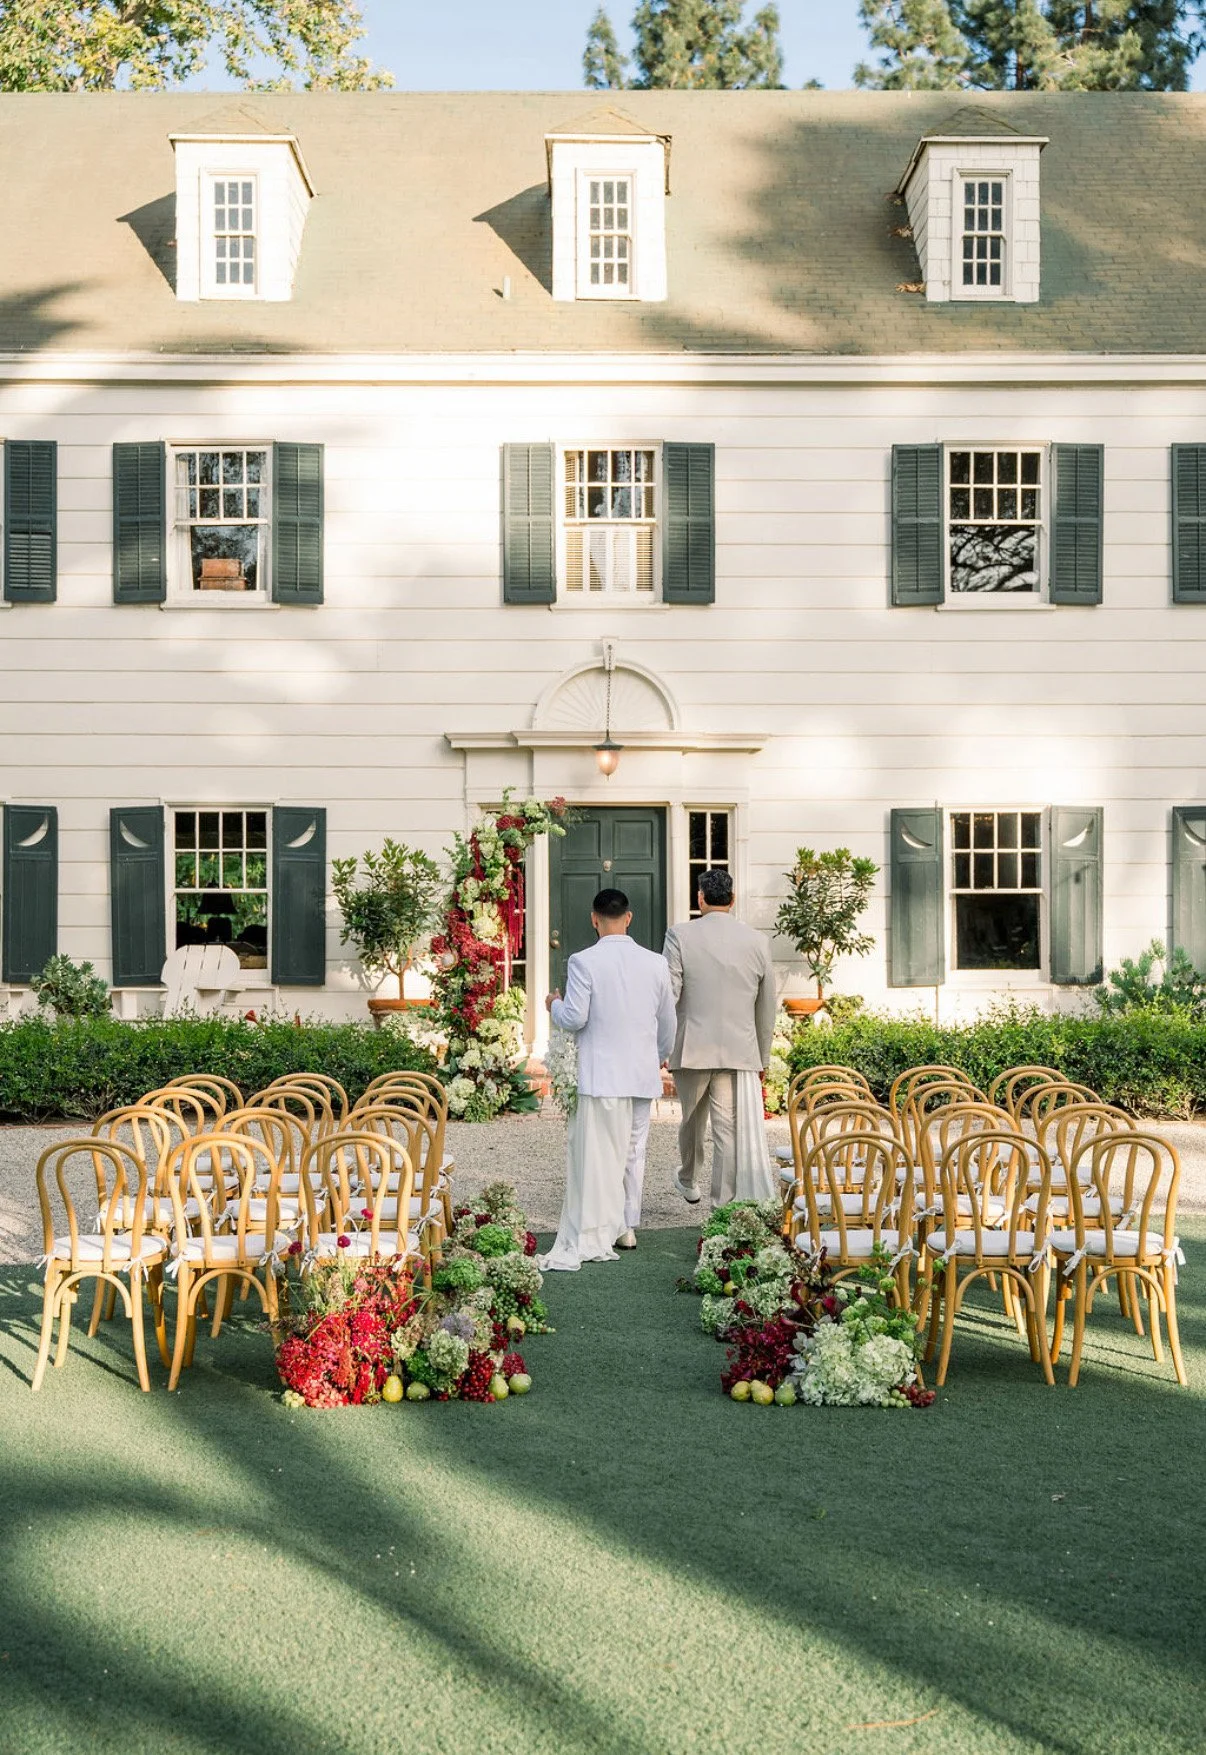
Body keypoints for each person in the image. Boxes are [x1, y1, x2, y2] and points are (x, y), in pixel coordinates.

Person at [540, 888, 677, 1270]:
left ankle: (602, 1222)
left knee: (600, 1153)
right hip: (638, 1072)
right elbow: (668, 1020)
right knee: (634, 1150)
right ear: (628, 918)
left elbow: (575, 1018)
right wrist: (660, 1056)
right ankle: (627, 1226)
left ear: (593, 919)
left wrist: (553, 1006)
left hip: (600, 1076)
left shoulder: (584, 961)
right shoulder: (655, 963)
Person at [663, 868, 777, 1207]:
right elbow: (766, 1005)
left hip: (692, 1046)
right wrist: (763, 1056)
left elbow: (668, 993)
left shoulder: (679, 935)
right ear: (733, 898)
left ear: (700, 898)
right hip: (739, 1049)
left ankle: (687, 1177)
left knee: (691, 1121)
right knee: (727, 1129)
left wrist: (661, 1043)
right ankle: (722, 1206)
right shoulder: (757, 941)